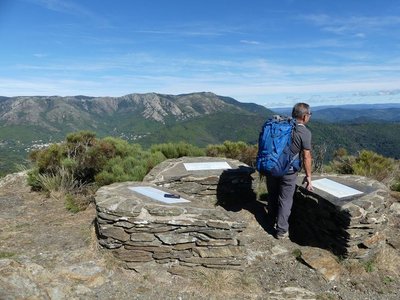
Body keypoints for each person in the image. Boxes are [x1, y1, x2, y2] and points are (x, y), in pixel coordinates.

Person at [266, 102, 314, 239]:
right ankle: (281, 230)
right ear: (304, 117)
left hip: (272, 167)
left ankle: (270, 220)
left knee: (272, 194)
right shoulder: (304, 132)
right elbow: (306, 156)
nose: (309, 117)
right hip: (288, 171)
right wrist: (308, 176)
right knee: (285, 200)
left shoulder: (278, 125)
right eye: (309, 115)